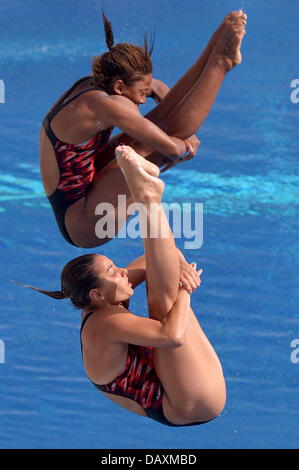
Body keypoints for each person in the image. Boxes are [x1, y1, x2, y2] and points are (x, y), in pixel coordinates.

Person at [27, 145, 226, 426]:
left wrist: (178, 267)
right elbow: (172, 336)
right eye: (113, 272)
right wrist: (185, 290)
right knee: (164, 304)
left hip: (189, 384)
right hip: (187, 405)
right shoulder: (105, 323)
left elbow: (156, 259)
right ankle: (147, 198)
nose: (122, 271)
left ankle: (145, 195)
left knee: (160, 279)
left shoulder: (102, 297)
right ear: (96, 293)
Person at [39, 9, 247, 248]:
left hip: (85, 184)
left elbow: (156, 88)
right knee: (156, 140)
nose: (143, 100)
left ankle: (214, 47)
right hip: (86, 223)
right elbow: (171, 149)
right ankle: (221, 63)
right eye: (140, 93)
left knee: (156, 128)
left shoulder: (98, 82)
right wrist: (183, 145)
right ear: (119, 86)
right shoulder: (110, 105)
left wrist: (181, 134)